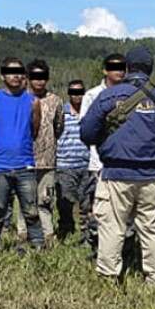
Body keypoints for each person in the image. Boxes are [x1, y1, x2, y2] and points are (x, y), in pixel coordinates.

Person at [78, 46, 155, 284]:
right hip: (154, 174)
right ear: (151, 69)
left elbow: (86, 133)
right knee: (154, 228)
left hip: (115, 173)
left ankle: (108, 278)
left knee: (112, 227)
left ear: (126, 68)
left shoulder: (108, 96)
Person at [0, 57, 44, 251]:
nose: (16, 76)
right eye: (11, 72)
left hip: (25, 165)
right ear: (2, 76)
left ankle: (38, 246)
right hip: (0, 166)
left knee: (31, 210)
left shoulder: (33, 102)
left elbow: (35, 130)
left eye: (19, 72)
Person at [77, 53, 126, 254]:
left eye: (122, 67)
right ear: (105, 70)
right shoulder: (91, 95)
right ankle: (95, 245)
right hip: (99, 163)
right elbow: (86, 128)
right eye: (114, 67)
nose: (119, 71)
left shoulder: (131, 95)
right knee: (97, 208)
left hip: (124, 163)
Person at [22, 60, 65, 243]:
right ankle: (22, 234)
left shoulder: (55, 101)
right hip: (24, 157)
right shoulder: (21, 99)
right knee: (25, 199)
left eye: (43, 77)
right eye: (35, 77)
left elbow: (59, 127)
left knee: (45, 199)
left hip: (47, 159)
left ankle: (48, 234)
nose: (39, 82)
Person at [55, 79, 93, 241]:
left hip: (86, 164)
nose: (77, 96)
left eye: (80, 92)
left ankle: (87, 232)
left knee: (87, 203)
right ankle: (66, 229)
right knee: (65, 202)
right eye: (73, 92)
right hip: (65, 165)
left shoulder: (90, 113)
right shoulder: (61, 112)